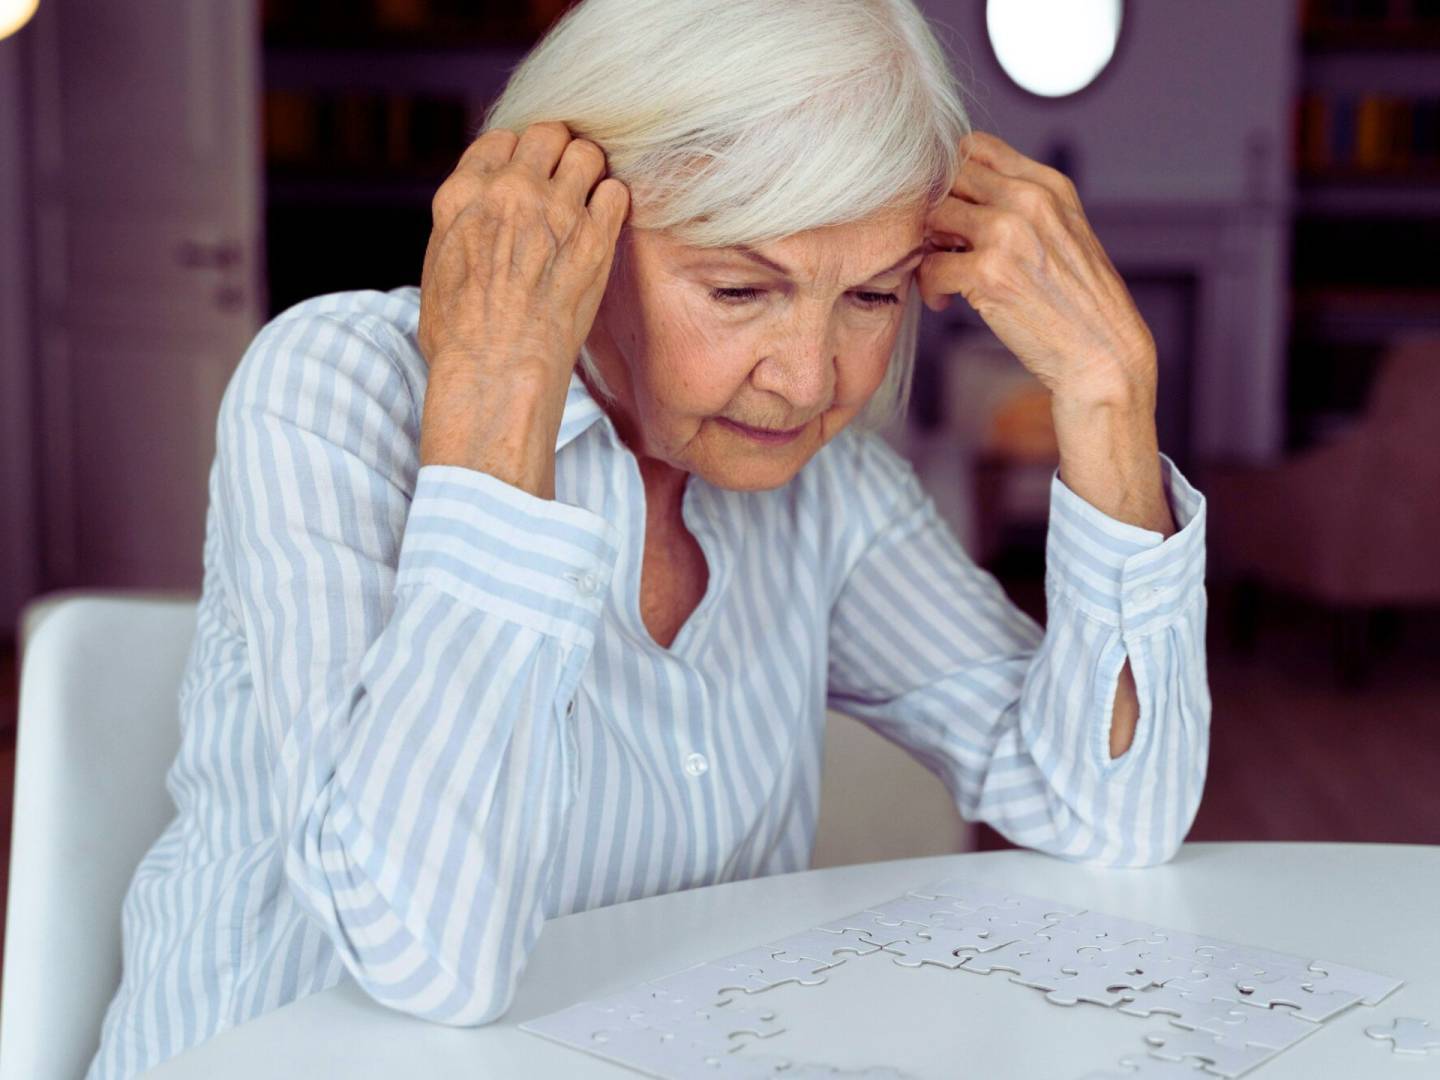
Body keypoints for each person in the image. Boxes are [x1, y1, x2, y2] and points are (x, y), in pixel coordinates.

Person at [87, 0, 1209, 1075]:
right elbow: (429, 959)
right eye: (738, 289)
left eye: (870, 299)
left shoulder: (831, 492)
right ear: (577, 230)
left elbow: (1111, 810)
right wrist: (501, 389)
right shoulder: (333, 390)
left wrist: (1109, 391)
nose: (811, 380)